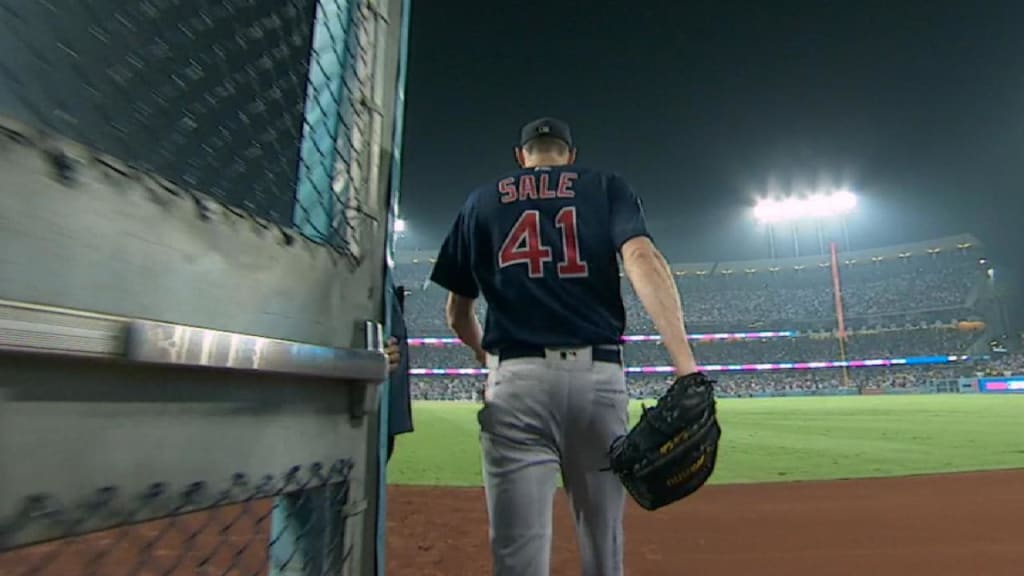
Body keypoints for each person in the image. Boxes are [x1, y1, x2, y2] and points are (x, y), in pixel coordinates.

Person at [429, 117, 701, 576]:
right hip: (597, 381)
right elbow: (640, 257)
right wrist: (685, 365)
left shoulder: (482, 201)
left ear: (521, 157)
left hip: (517, 382)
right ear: (569, 155)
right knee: (603, 544)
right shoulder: (605, 186)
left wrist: (484, 356)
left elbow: (457, 313)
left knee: (517, 554)